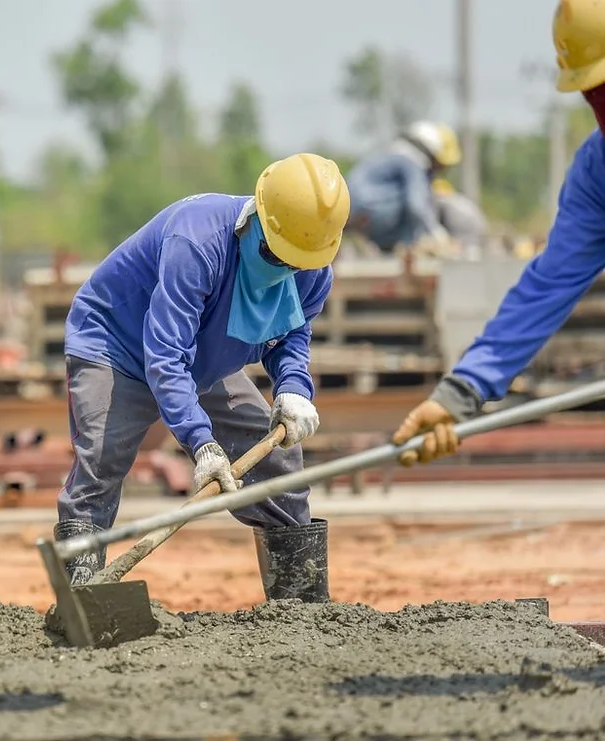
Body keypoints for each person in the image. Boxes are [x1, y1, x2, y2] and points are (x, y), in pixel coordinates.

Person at [53, 153, 351, 603]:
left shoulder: (311, 268)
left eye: (297, 262)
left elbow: (292, 336)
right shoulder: (197, 240)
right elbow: (166, 354)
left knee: (277, 465)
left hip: (203, 359)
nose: (285, 268)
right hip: (117, 345)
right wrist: (201, 442)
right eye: (276, 254)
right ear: (257, 217)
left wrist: (292, 387)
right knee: (101, 460)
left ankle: (301, 607)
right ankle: (80, 601)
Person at [391, 0, 605, 466]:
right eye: (593, 93)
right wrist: (460, 392)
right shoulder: (597, 172)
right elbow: (546, 287)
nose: (601, 106)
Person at [345, 121, 462, 259]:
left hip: (350, 211)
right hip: (370, 212)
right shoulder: (411, 163)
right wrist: (437, 234)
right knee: (418, 200)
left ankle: (390, 251)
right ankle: (402, 248)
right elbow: (416, 205)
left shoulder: (389, 157)